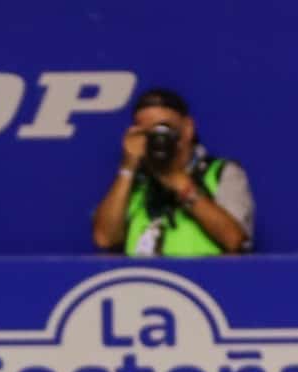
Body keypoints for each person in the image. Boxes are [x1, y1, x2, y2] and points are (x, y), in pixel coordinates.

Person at [91, 87, 254, 256]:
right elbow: (105, 239)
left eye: (163, 129)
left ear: (188, 128)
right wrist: (127, 168)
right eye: (147, 133)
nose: (157, 139)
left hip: (202, 273)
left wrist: (181, 185)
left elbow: (237, 241)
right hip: (142, 273)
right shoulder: (134, 182)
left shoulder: (221, 173)